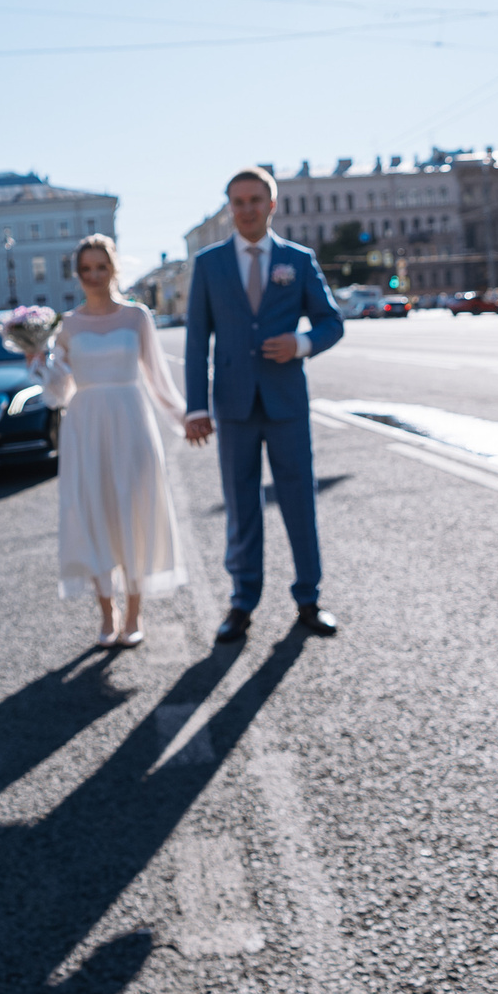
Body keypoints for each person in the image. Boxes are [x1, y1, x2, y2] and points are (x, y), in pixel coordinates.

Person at [183, 168, 345, 645]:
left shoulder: (298, 259)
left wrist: (300, 343)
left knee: (299, 500)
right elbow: (197, 342)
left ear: (272, 205)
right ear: (229, 207)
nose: (247, 209)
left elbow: (331, 323)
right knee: (241, 505)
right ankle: (242, 602)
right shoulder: (209, 264)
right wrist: (196, 407)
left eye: (255, 200)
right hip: (233, 406)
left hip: (286, 402)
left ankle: (309, 599)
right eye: (238, 201)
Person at [21, 236, 192, 647]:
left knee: (133, 511)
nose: (94, 276)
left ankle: (134, 613)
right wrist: (36, 363)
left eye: (101, 267)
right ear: (77, 275)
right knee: (92, 510)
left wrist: (189, 419)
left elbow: (158, 379)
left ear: (114, 268)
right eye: (86, 269)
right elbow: (59, 393)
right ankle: (106, 612)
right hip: (85, 427)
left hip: (132, 423)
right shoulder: (66, 325)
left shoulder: (137, 317)